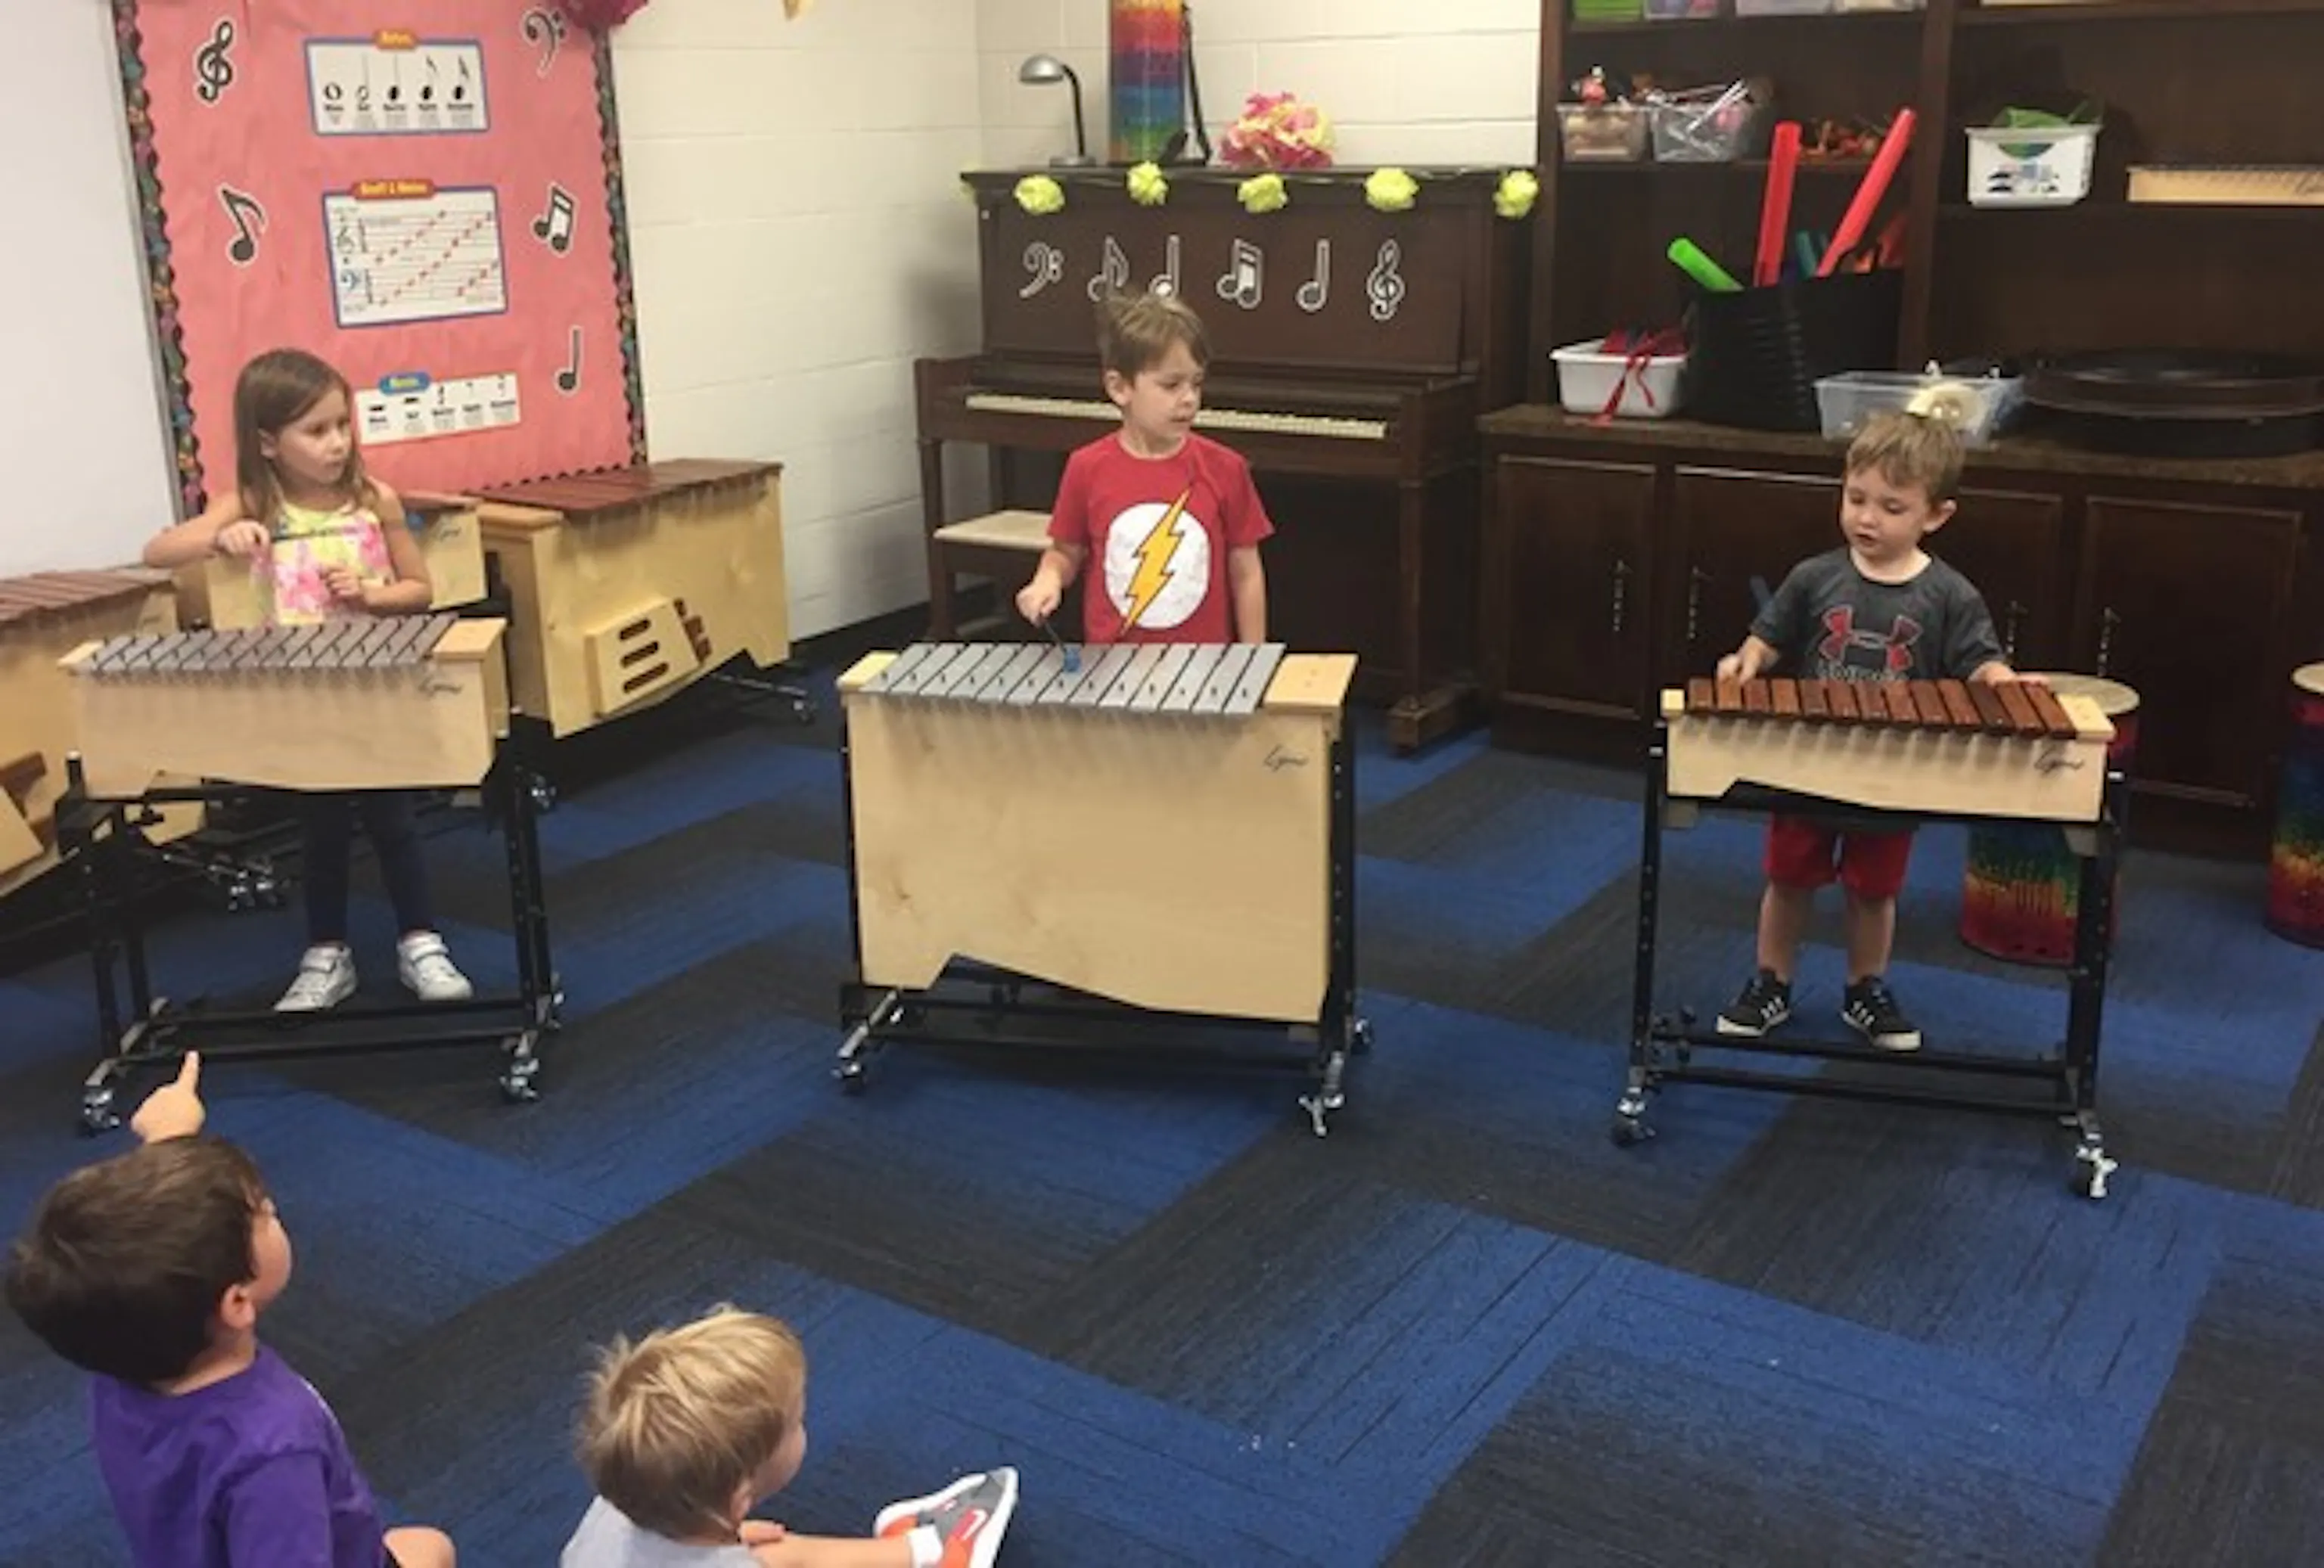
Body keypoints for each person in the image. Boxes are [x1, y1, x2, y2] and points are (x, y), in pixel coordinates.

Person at [4, 1054, 457, 1568]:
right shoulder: (273, 1448)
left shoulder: (118, 1336)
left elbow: (145, 1237)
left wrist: (171, 1136)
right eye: (265, 1213)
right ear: (237, 1301)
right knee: (434, 1549)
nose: (274, 1212)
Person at [142, 347, 471, 1012]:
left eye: (342, 424)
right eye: (316, 430)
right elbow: (157, 551)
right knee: (320, 831)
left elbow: (420, 589)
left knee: (395, 822)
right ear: (268, 442)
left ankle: (421, 941)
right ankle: (327, 953)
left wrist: (373, 595)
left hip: (377, 687)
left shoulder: (374, 499)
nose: (337, 442)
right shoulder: (255, 503)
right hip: (305, 695)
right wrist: (222, 538)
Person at [1712, 408, 2037, 1053]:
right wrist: (1745, 661)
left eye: (1892, 507)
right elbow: (1768, 637)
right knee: (1789, 878)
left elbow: (1979, 660)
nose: (1867, 518)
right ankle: (1772, 980)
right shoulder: (1815, 575)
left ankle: (1866, 988)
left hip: (1892, 768)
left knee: (1873, 890)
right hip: (1809, 761)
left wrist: (2004, 682)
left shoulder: (1950, 594)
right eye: (1856, 497)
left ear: (1936, 515)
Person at [562, 1305, 1016, 1568]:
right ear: (739, 1496)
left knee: (769, 1551)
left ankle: (916, 1551)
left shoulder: (617, 1506)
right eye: (796, 1422)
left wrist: (723, 1534)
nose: (803, 1424)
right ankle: (929, 1553)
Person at [1014, 290, 1270, 644]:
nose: (1189, 398)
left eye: (1196, 383)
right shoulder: (1086, 467)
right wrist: (1048, 578)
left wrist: (1254, 658)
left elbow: (1246, 573)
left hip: (1200, 666)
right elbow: (1065, 552)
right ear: (1120, 388)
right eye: (1171, 385)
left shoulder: (1226, 468)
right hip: (1113, 665)